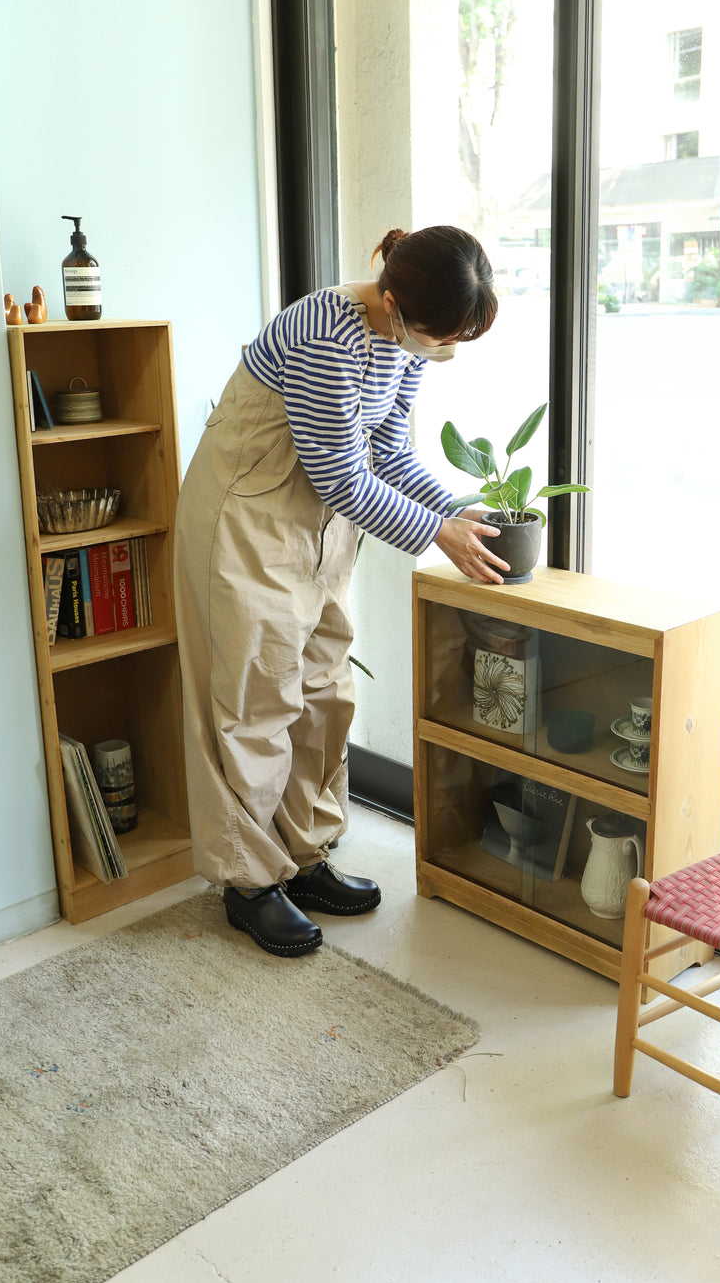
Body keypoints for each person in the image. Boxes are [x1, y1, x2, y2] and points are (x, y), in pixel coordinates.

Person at [173, 225, 507, 957]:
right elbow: (343, 477)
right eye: (439, 334)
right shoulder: (327, 331)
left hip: (319, 525)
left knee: (325, 691)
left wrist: (451, 512)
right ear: (392, 301)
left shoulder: (403, 339)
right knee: (256, 701)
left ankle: (305, 855)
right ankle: (250, 882)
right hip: (248, 516)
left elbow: (387, 450)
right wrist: (435, 534)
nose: (439, 349)